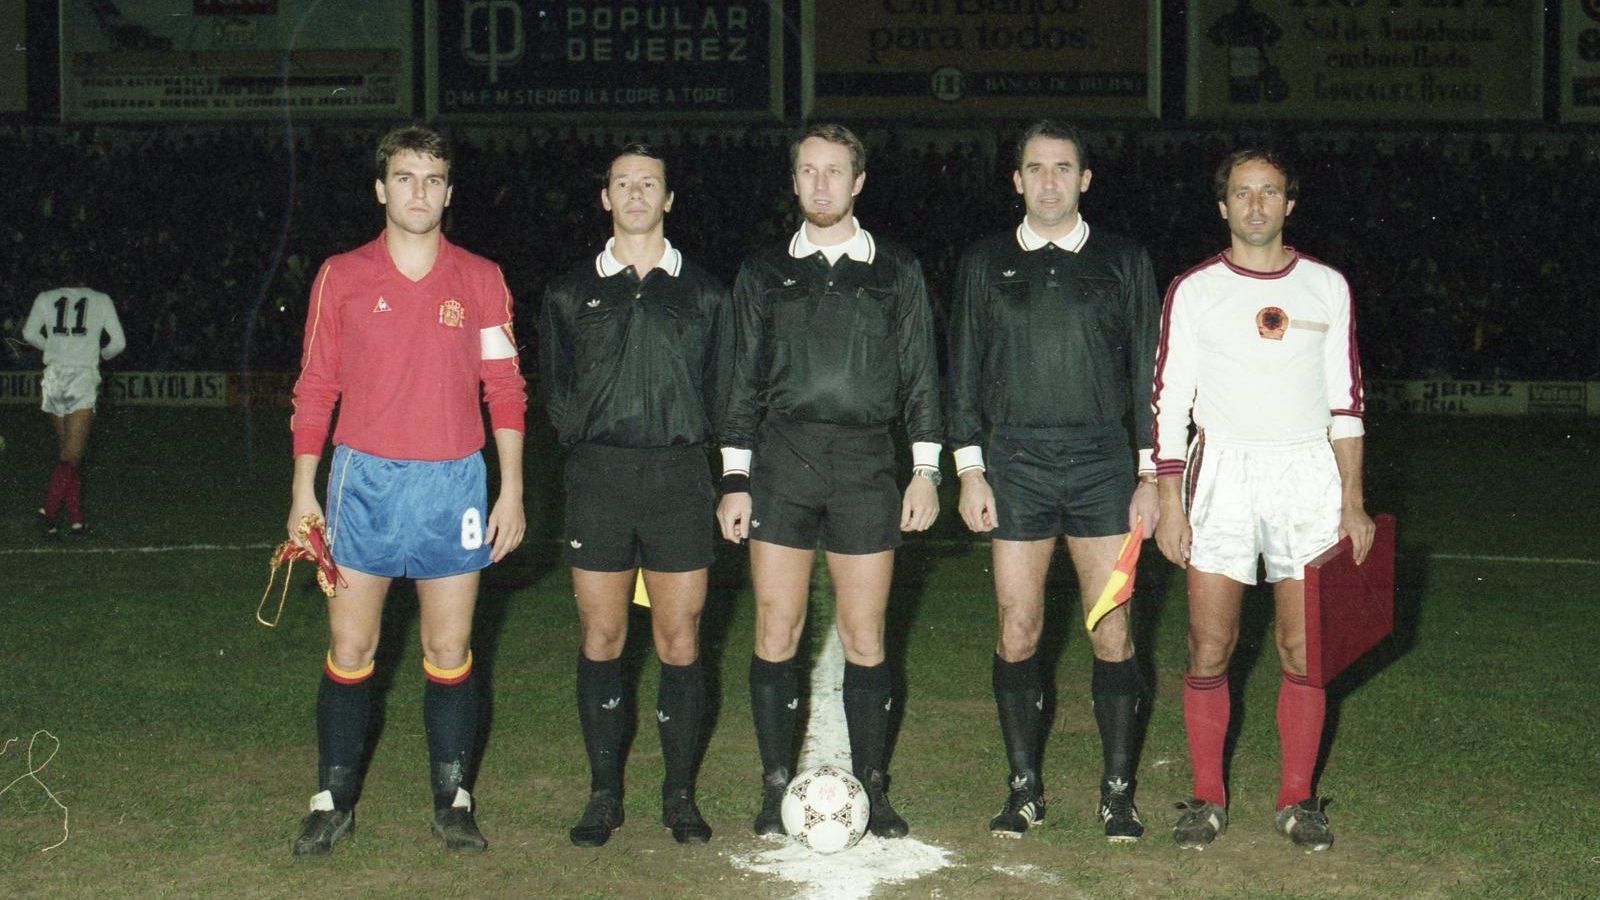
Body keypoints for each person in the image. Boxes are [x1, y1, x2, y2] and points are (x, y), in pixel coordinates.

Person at [286, 124, 527, 857]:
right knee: (352, 644)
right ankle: (333, 799)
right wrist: (304, 489)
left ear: (449, 193)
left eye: (432, 179)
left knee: (449, 645)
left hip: (455, 479)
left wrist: (510, 489)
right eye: (404, 177)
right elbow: (316, 385)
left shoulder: (481, 277)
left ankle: (453, 800)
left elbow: (505, 389)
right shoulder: (342, 274)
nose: (418, 191)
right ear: (380, 188)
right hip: (364, 481)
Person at [716, 123, 942, 840]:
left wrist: (927, 470)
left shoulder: (896, 268)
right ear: (793, 182)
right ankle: (775, 783)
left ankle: (873, 787)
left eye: (834, 171)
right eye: (808, 171)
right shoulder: (762, 272)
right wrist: (735, 477)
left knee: (864, 632)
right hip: (782, 461)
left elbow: (921, 376)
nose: (821, 184)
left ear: (858, 182)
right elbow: (740, 380)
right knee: (776, 627)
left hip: (866, 464)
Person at [1151, 148, 1374, 852]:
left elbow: (1346, 402)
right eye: (1242, 193)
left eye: (1268, 191)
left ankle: (1297, 799)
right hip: (1222, 474)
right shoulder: (1194, 290)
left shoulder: (1326, 287)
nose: (1255, 204)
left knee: (1303, 648)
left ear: (1289, 203)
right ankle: (1207, 796)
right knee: (1210, 645)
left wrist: (1353, 500)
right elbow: (1168, 403)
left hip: (1306, 473)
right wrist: (1168, 498)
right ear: (1222, 206)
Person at [946, 119, 1161, 841]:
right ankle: (1024, 787)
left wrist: (1149, 473)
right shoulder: (983, 261)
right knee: (1018, 628)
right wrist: (969, 470)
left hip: (1103, 466)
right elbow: (964, 371)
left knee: (1111, 629)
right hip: (1015, 466)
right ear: (1016, 179)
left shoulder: (1124, 261)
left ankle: (1118, 791)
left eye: (1063, 168)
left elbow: (1148, 374)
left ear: (1085, 179)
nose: (1048, 181)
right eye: (1035, 168)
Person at [539, 144, 733, 848]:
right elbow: (557, 391)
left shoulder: (706, 293)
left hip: (680, 480)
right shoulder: (569, 291)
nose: (636, 194)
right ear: (606, 198)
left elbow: (725, 390)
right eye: (623, 183)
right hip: (600, 481)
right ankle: (603, 793)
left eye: (649, 182)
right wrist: (594, 434)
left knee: (679, 640)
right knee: (603, 636)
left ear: (669, 198)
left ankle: (679, 795)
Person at [21, 270, 126, 537]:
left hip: (54, 377)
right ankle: (47, 512)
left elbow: (29, 333)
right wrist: (99, 353)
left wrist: (55, 348)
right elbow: (119, 343)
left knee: (67, 453)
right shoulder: (101, 299)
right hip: (81, 377)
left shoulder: (45, 297)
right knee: (72, 455)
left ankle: (76, 521)